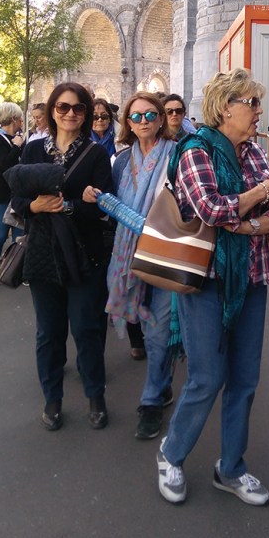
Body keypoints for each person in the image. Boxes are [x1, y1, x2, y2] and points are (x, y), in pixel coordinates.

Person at [156, 68, 269, 505]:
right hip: (208, 281)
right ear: (224, 108)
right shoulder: (196, 151)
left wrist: (252, 224)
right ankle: (171, 454)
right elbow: (211, 209)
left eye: (257, 102)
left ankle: (231, 468)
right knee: (207, 378)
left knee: (245, 379)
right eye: (251, 103)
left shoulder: (252, 152)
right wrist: (258, 197)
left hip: (251, 278)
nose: (259, 111)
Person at [10, 83, 113, 431]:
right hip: (43, 253)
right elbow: (18, 200)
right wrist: (35, 206)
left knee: (86, 329)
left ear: (87, 114)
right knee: (49, 333)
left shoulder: (95, 155)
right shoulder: (33, 150)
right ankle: (52, 399)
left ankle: (95, 396)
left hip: (84, 253)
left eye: (78, 108)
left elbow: (103, 208)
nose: (70, 113)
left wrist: (68, 205)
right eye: (63, 107)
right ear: (52, 110)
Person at [106, 92, 176, 439]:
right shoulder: (121, 162)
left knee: (158, 329)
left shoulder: (177, 155)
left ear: (161, 119)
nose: (144, 121)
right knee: (146, 325)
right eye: (136, 117)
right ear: (128, 124)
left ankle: (151, 399)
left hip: (166, 252)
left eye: (150, 115)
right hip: (129, 255)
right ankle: (162, 383)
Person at [0, 102, 25, 287]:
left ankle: (16, 269)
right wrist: (16, 147)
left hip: (18, 193)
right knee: (0, 234)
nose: (22, 121)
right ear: (13, 119)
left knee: (20, 234)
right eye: (20, 117)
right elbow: (5, 165)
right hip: (1, 195)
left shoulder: (17, 138)